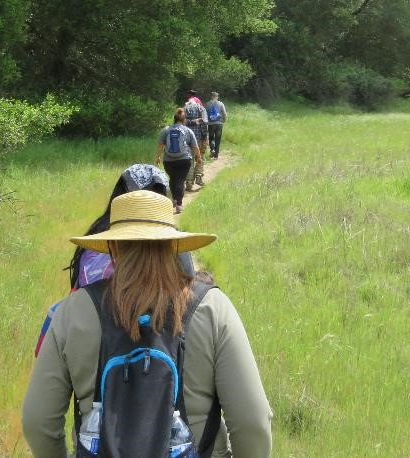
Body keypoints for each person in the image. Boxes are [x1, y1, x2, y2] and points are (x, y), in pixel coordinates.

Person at [22, 191, 273, 458]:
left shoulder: (73, 311)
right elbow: (253, 423)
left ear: (112, 248)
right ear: (173, 245)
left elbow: (38, 422)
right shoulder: (212, 308)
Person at [35, 165, 195, 357]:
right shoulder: (174, 244)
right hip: (162, 340)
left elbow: (76, 288)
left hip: (94, 332)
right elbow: (188, 291)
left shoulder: (97, 236)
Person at [154, 108, 202, 214]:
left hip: (168, 161)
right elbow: (195, 147)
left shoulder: (166, 130)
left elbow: (161, 145)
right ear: (184, 120)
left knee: (173, 178)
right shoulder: (188, 130)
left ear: (174, 120)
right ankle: (179, 204)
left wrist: (157, 157)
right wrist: (199, 158)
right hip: (184, 160)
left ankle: (175, 199)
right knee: (180, 180)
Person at [182, 91, 209, 188]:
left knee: (189, 160)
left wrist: (191, 122)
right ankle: (198, 177)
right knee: (199, 157)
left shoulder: (184, 109)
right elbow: (205, 123)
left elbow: (181, 123)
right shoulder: (201, 108)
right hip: (199, 139)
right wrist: (206, 138)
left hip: (187, 139)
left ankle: (188, 183)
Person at [206, 91, 228, 159]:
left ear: (211, 96)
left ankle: (212, 149)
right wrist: (223, 121)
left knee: (211, 138)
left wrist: (206, 122)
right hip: (219, 124)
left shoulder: (207, 104)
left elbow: (205, 114)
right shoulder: (221, 104)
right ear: (217, 97)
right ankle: (216, 156)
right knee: (218, 139)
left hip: (211, 124)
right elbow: (224, 114)